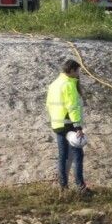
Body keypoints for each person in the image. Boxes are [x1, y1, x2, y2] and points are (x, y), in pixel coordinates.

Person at [45, 59, 87, 192]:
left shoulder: (54, 84)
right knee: (78, 155)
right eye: (78, 71)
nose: (78, 73)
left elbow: (48, 105)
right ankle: (80, 186)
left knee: (63, 155)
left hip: (57, 124)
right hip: (69, 124)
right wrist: (78, 126)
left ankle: (63, 186)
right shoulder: (68, 84)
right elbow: (72, 107)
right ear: (72, 70)